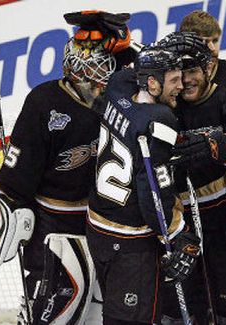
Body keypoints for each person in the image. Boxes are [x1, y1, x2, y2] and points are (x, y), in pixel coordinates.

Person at [0, 11, 131, 324]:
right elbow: (15, 178)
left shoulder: (120, 101)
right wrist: (13, 208)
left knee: (97, 311)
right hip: (52, 223)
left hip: (102, 223)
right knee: (55, 307)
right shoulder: (44, 102)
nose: (108, 77)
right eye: (102, 66)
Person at [86, 45, 201, 325]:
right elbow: (153, 195)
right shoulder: (159, 120)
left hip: (97, 227)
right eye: (173, 80)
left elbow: (125, 76)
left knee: (114, 313)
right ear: (151, 82)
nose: (181, 86)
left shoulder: (116, 91)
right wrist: (178, 234)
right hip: (131, 244)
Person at [158, 31, 226, 325]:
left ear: (207, 69)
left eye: (191, 71)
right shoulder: (164, 109)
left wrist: (217, 145)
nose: (186, 80)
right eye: (178, 72)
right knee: (181, 309)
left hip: (224, 222)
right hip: (181, 223)